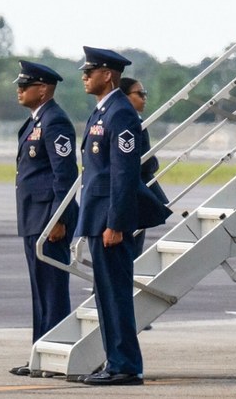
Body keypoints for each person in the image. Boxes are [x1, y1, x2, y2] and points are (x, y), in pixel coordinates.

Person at [74, 46, 145, 386]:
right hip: (97, 215)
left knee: (115, 294)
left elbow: (124, 174)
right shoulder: (102, 112)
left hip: (109, 220)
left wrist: (116, 223)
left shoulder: (120, 113)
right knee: (105, 294)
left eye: (90, 72)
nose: (84, 77)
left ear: (107, 75)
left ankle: (126, 365)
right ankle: (114, 361)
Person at [9, 60, 79, 377]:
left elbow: (65, 175)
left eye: (25, 86)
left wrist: (58, 219)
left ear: (43, 89)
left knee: (52, 291)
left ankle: (56, 354)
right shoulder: (35, 121)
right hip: (33, 216)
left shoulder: (55, 121)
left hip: (49, 219)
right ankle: (40, 355)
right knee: (40, 291)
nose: (20, 90)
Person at [118, 77, 169, 258]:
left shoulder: (130, 120)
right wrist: (154, 163)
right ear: (124, 96)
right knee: (130, 250)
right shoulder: (130, 122)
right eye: (140, 94)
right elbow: (143, 162)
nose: (144, 97)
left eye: (145, 93)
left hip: (132, 194)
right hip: (132, 193)